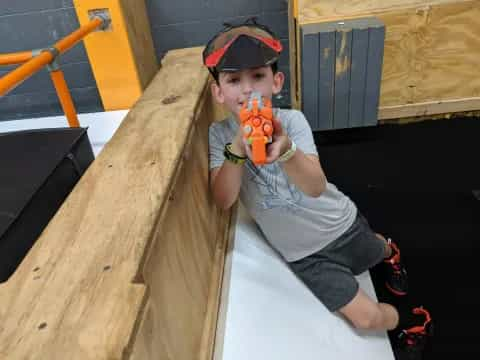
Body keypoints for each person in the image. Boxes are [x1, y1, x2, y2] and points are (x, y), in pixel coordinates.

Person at [203, 18, 432, 358]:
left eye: (257, 76)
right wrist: (237, 146)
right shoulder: (220, 137)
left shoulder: (292, 121)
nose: (247, 90)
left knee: (373, 252)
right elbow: (223, 200)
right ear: (218, 92)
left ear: (276, 81)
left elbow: (315, 187)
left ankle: (389, 250)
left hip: (340, 225)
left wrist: (287, 151)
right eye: (234, 80)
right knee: (368, 319)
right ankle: (400, 324)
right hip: (305, 257)